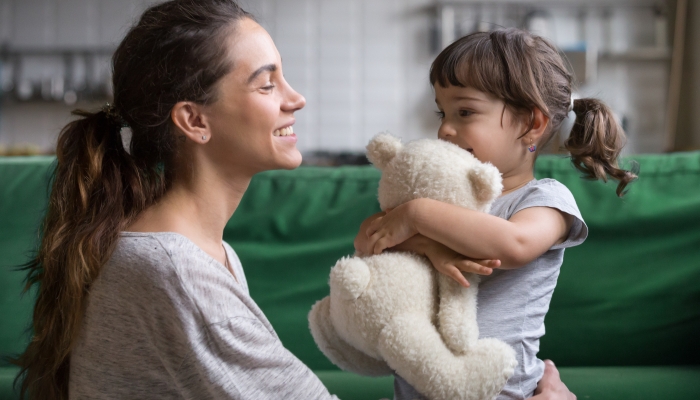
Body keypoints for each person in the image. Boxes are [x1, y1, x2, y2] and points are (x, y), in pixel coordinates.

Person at [12, 1, 579, 398]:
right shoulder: (173, 267)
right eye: (266, 83)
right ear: (194, 120)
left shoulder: (197, 253)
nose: (297, 99)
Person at [355, 28, 636, 400]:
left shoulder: (545, 199)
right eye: (443, 111)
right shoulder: (439, 201)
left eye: (465, 111)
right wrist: (429, 246)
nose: (444, 128)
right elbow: (368, 241)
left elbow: (513, 246)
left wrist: (418, 216)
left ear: (531, 124)